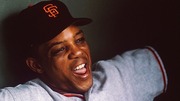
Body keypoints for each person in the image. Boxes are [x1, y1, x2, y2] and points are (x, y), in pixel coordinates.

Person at [0, 0, 167, 101]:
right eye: (60, 49)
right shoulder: (28, 97)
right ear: (36, 65)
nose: (78, 52)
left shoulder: (119, 74)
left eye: (79, 40)